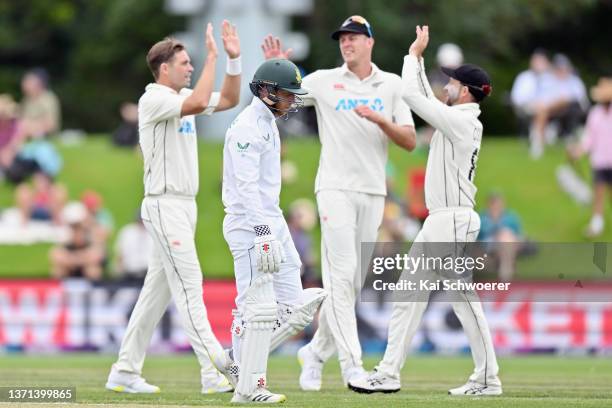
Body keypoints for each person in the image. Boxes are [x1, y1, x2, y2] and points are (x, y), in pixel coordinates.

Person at [261, 15, 417, 391]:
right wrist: (278, 71)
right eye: (342, 39)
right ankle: (353, 368)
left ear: (370, 43)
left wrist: (381, 121)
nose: (346, 44)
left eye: (354, 38)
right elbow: (280, 103)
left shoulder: (391, 85)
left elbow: (410, 140)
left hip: (373, 191)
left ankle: (314, 352)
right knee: (342, 276)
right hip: (333, 189)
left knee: (348, 286)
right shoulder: (322, 81)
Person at [348, 25, 502, 396]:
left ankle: (487, 378)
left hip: (453, 219)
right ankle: (388, 373)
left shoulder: (464, 120)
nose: (445, 87)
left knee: (462, 299)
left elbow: (413, 97)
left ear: (464, 91)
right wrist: (415, 60)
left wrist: (414, 55)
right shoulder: (455, 119)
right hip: (439, 221)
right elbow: (420, 96)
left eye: (451, 83)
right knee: (407, 297)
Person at [105, 20, 242, 395]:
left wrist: (231, 60)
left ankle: (125, 370)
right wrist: (212, 56)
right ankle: (215, 371)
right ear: (164, 68)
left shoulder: (181, 100)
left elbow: (229, 99)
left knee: (156, 294)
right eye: (185, 63)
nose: (191, 67)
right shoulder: (154, 99)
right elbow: (197, 100)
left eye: (193, 63)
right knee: (190, 286)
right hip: (164, 204)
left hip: (185, 206)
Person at [222, 58, 326, 404]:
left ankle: (236, 361)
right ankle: (250, 387)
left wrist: (272, 227)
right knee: (255, 308)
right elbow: (246, 187)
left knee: (294, 308)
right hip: (249, 225)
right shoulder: (247, 126)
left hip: (271, 220)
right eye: (285, 93)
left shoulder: (267, 121)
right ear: (265, 91)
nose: (291, 101)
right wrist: (263, 232)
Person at [569, 77, 612, 237]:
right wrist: (579, 151)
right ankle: (597, 223)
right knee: (599, 193)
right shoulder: (595, 114)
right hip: (600, 161)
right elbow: (589, 138)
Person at [49, 201, 105, 281]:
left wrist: (72, 259)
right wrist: (81, 258)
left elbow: (97, 255)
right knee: (58, 270)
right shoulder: (65, 235)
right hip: (71, 268)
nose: (76, 228)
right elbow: (55, 255)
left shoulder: (92, 233)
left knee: (93, 270)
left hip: (84, 268)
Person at [478, 192, 525, 281]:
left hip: (509, 243)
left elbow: (518, 234)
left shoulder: (511, 217)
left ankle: (505, 271)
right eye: (493, 203)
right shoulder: (483, 217)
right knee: (505, 236)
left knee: (506, 237)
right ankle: (507, 272)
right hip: (489, 243)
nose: (496, 206)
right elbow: (480, 235)